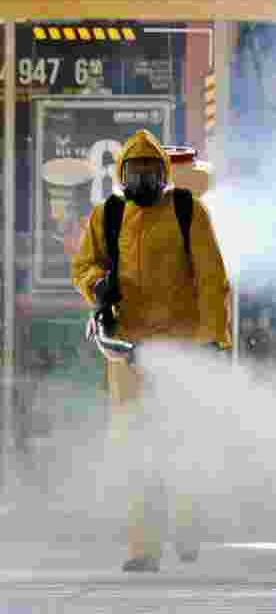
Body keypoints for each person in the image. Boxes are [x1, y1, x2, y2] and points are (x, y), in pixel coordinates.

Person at [72, 129, 232, 573]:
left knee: (185, 441)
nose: (143, 178)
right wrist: (97, 286)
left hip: (184, 347)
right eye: (135, 171)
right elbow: (85, 266)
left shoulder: (187, 211)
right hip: (129, 352)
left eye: (150, 170)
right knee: (135, 445)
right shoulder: (107, 216)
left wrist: (215, 340)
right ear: (122, 175)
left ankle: (186, 527)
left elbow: (212, 280)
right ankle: (142, 548)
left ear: (164, 173)